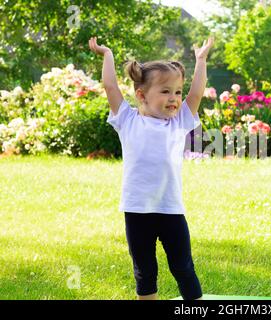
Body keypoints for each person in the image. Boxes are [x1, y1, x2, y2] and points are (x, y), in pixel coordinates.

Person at [88, 36, 214, 300]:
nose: (174, 98)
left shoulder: (178, 122)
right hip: (137, 211)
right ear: (142, 95)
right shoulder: (128, 120)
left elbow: (197, 93)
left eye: (177, 92)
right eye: (166, 91)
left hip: (171, 210)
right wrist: (107, 54)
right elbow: (110, 87)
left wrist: (201, 60)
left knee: (183, 267)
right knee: (145, 272)